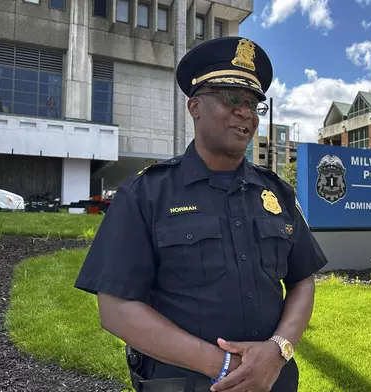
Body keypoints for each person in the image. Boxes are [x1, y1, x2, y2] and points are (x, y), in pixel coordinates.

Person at [74, 36, 329, 392]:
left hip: (274, 381)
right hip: (185, 383)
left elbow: (302, 278)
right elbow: (115, 307)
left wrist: (277, 349)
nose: (246, 113)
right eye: (231, 98)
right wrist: (226, 366)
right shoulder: (147, 193)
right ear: (195, 107)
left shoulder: (276, 193)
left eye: (254, 104)